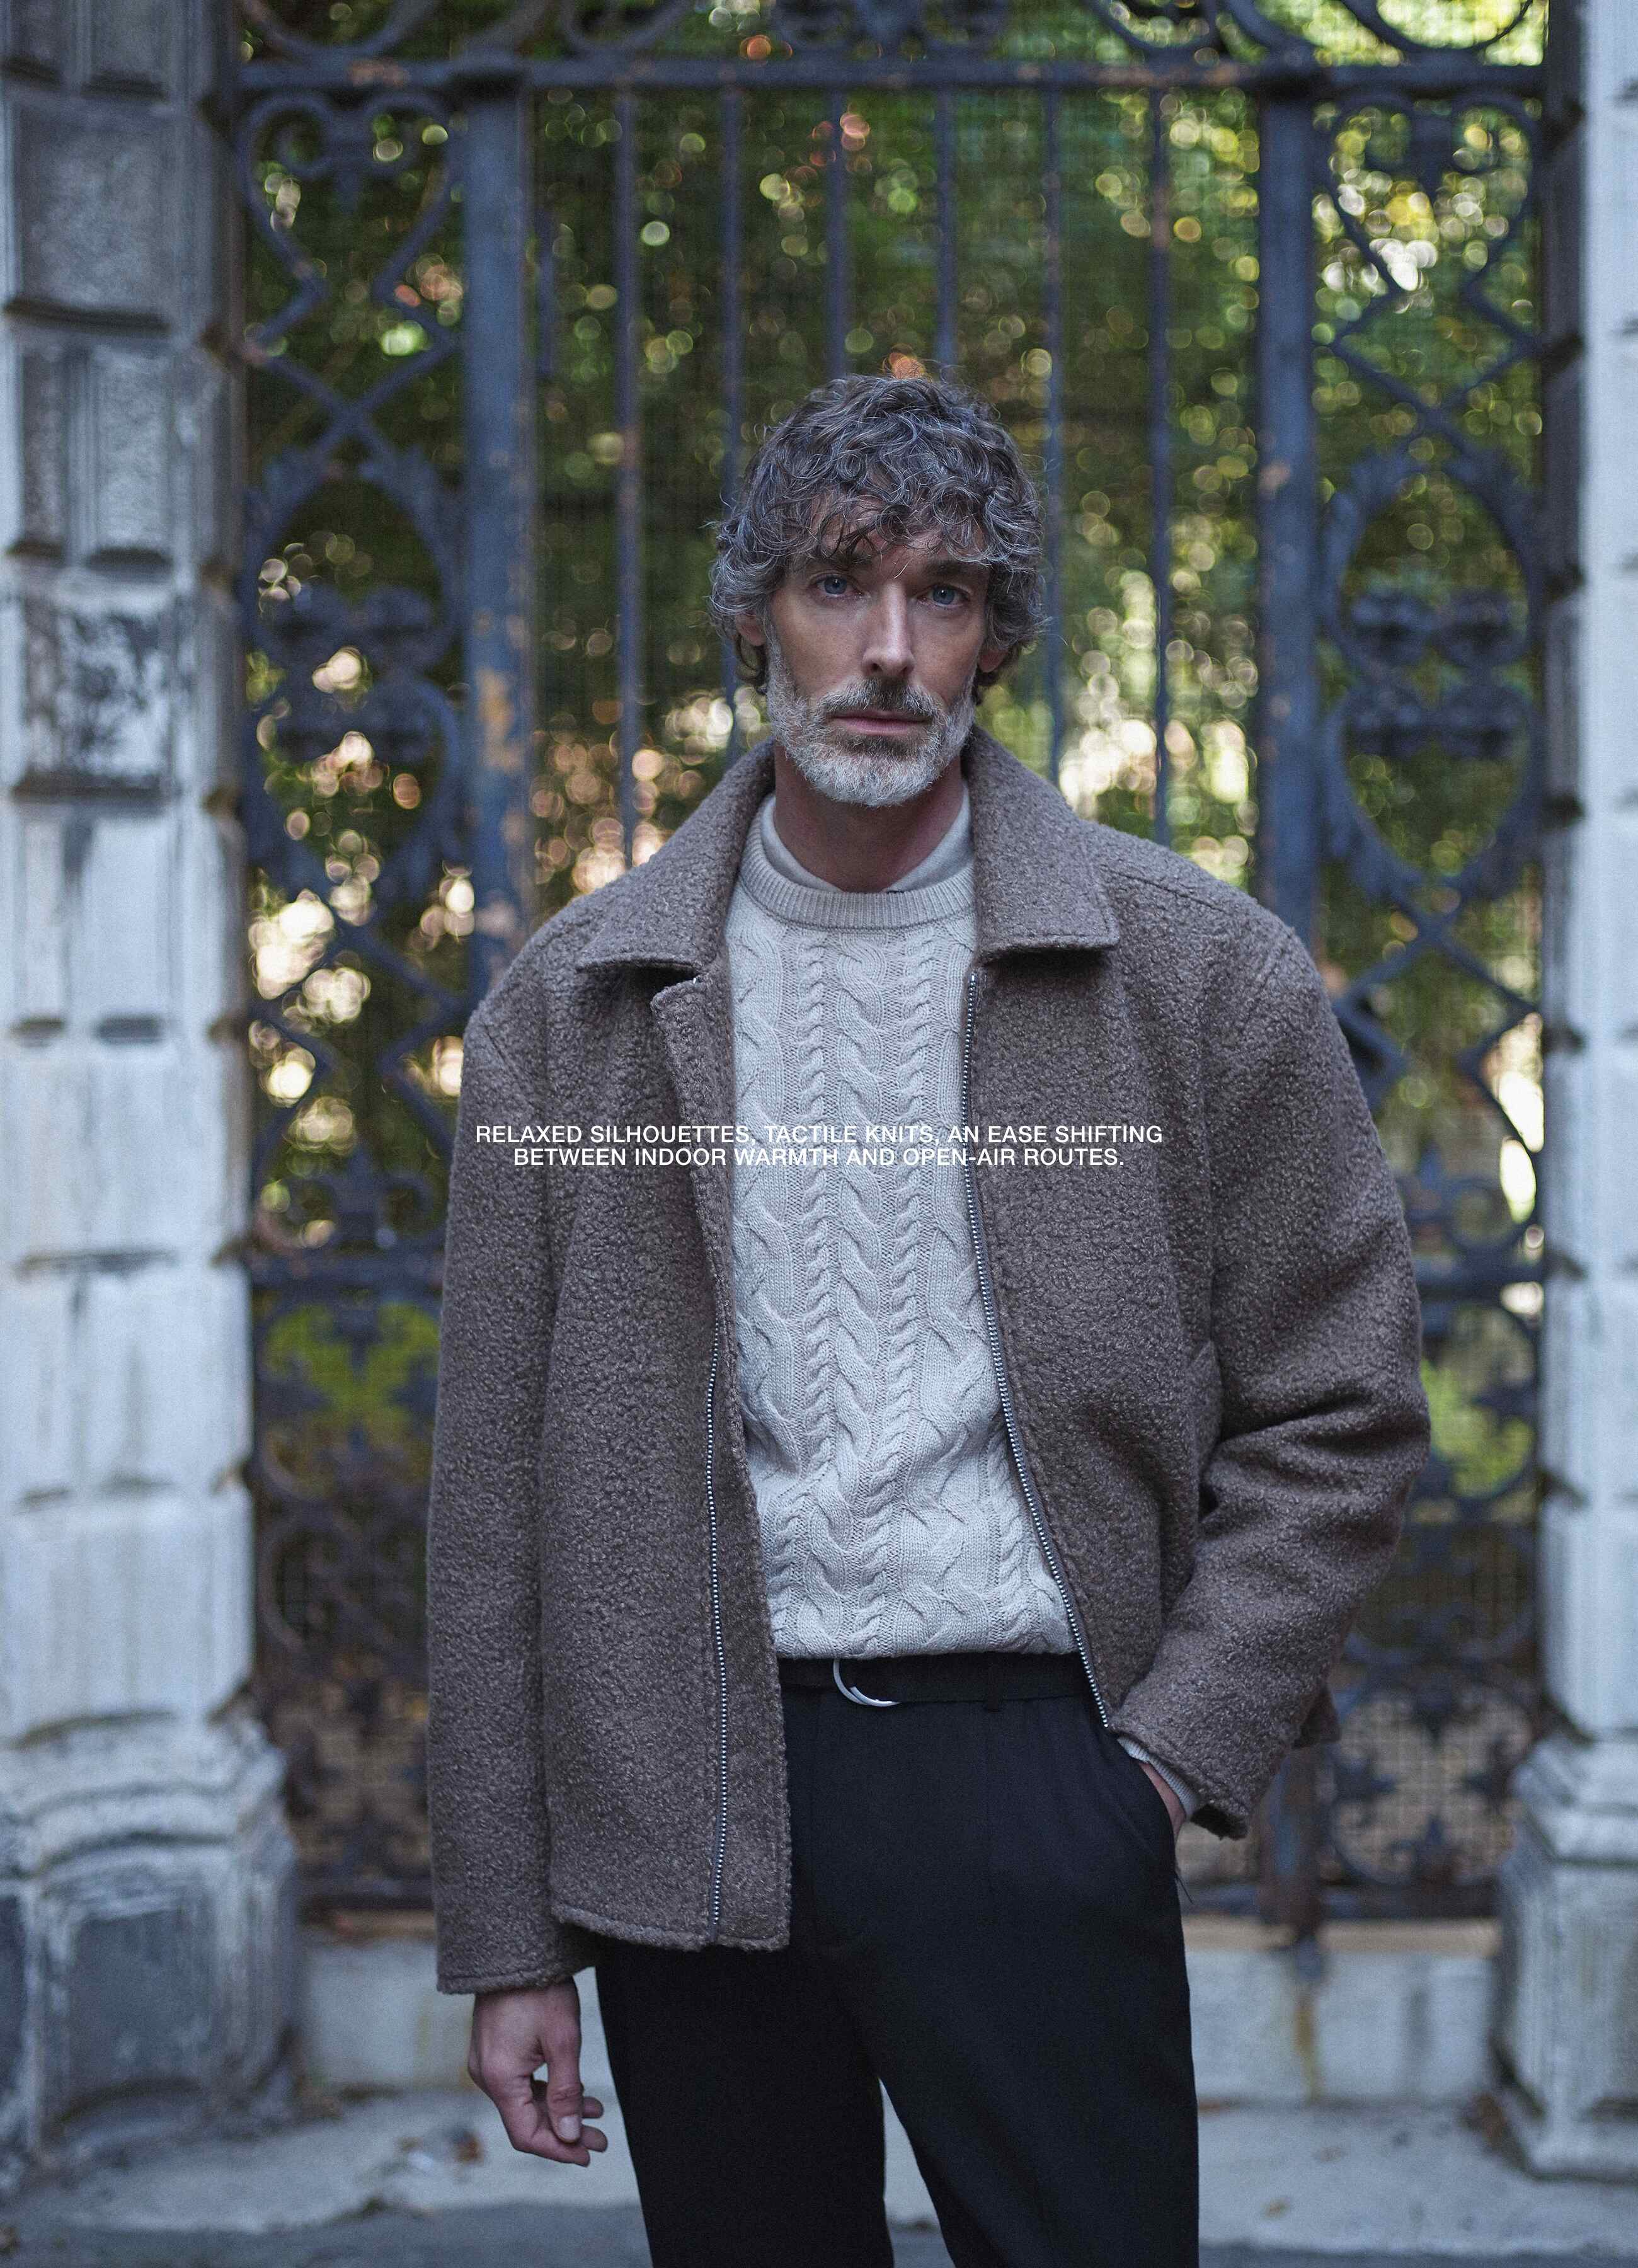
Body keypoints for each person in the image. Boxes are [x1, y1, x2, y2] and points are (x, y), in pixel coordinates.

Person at [425, 372, 1431, 2268]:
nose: (888, 648)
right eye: (838, 584)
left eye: (944, 594)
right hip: (688, 1796)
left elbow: (1344, 1406)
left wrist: (1164, 1757)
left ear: (996, 638)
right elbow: (491, 1503)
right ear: (757, 615)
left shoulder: (1196, 977)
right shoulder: (573, 1012)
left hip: (1040, 1765)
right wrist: (506, 1937)